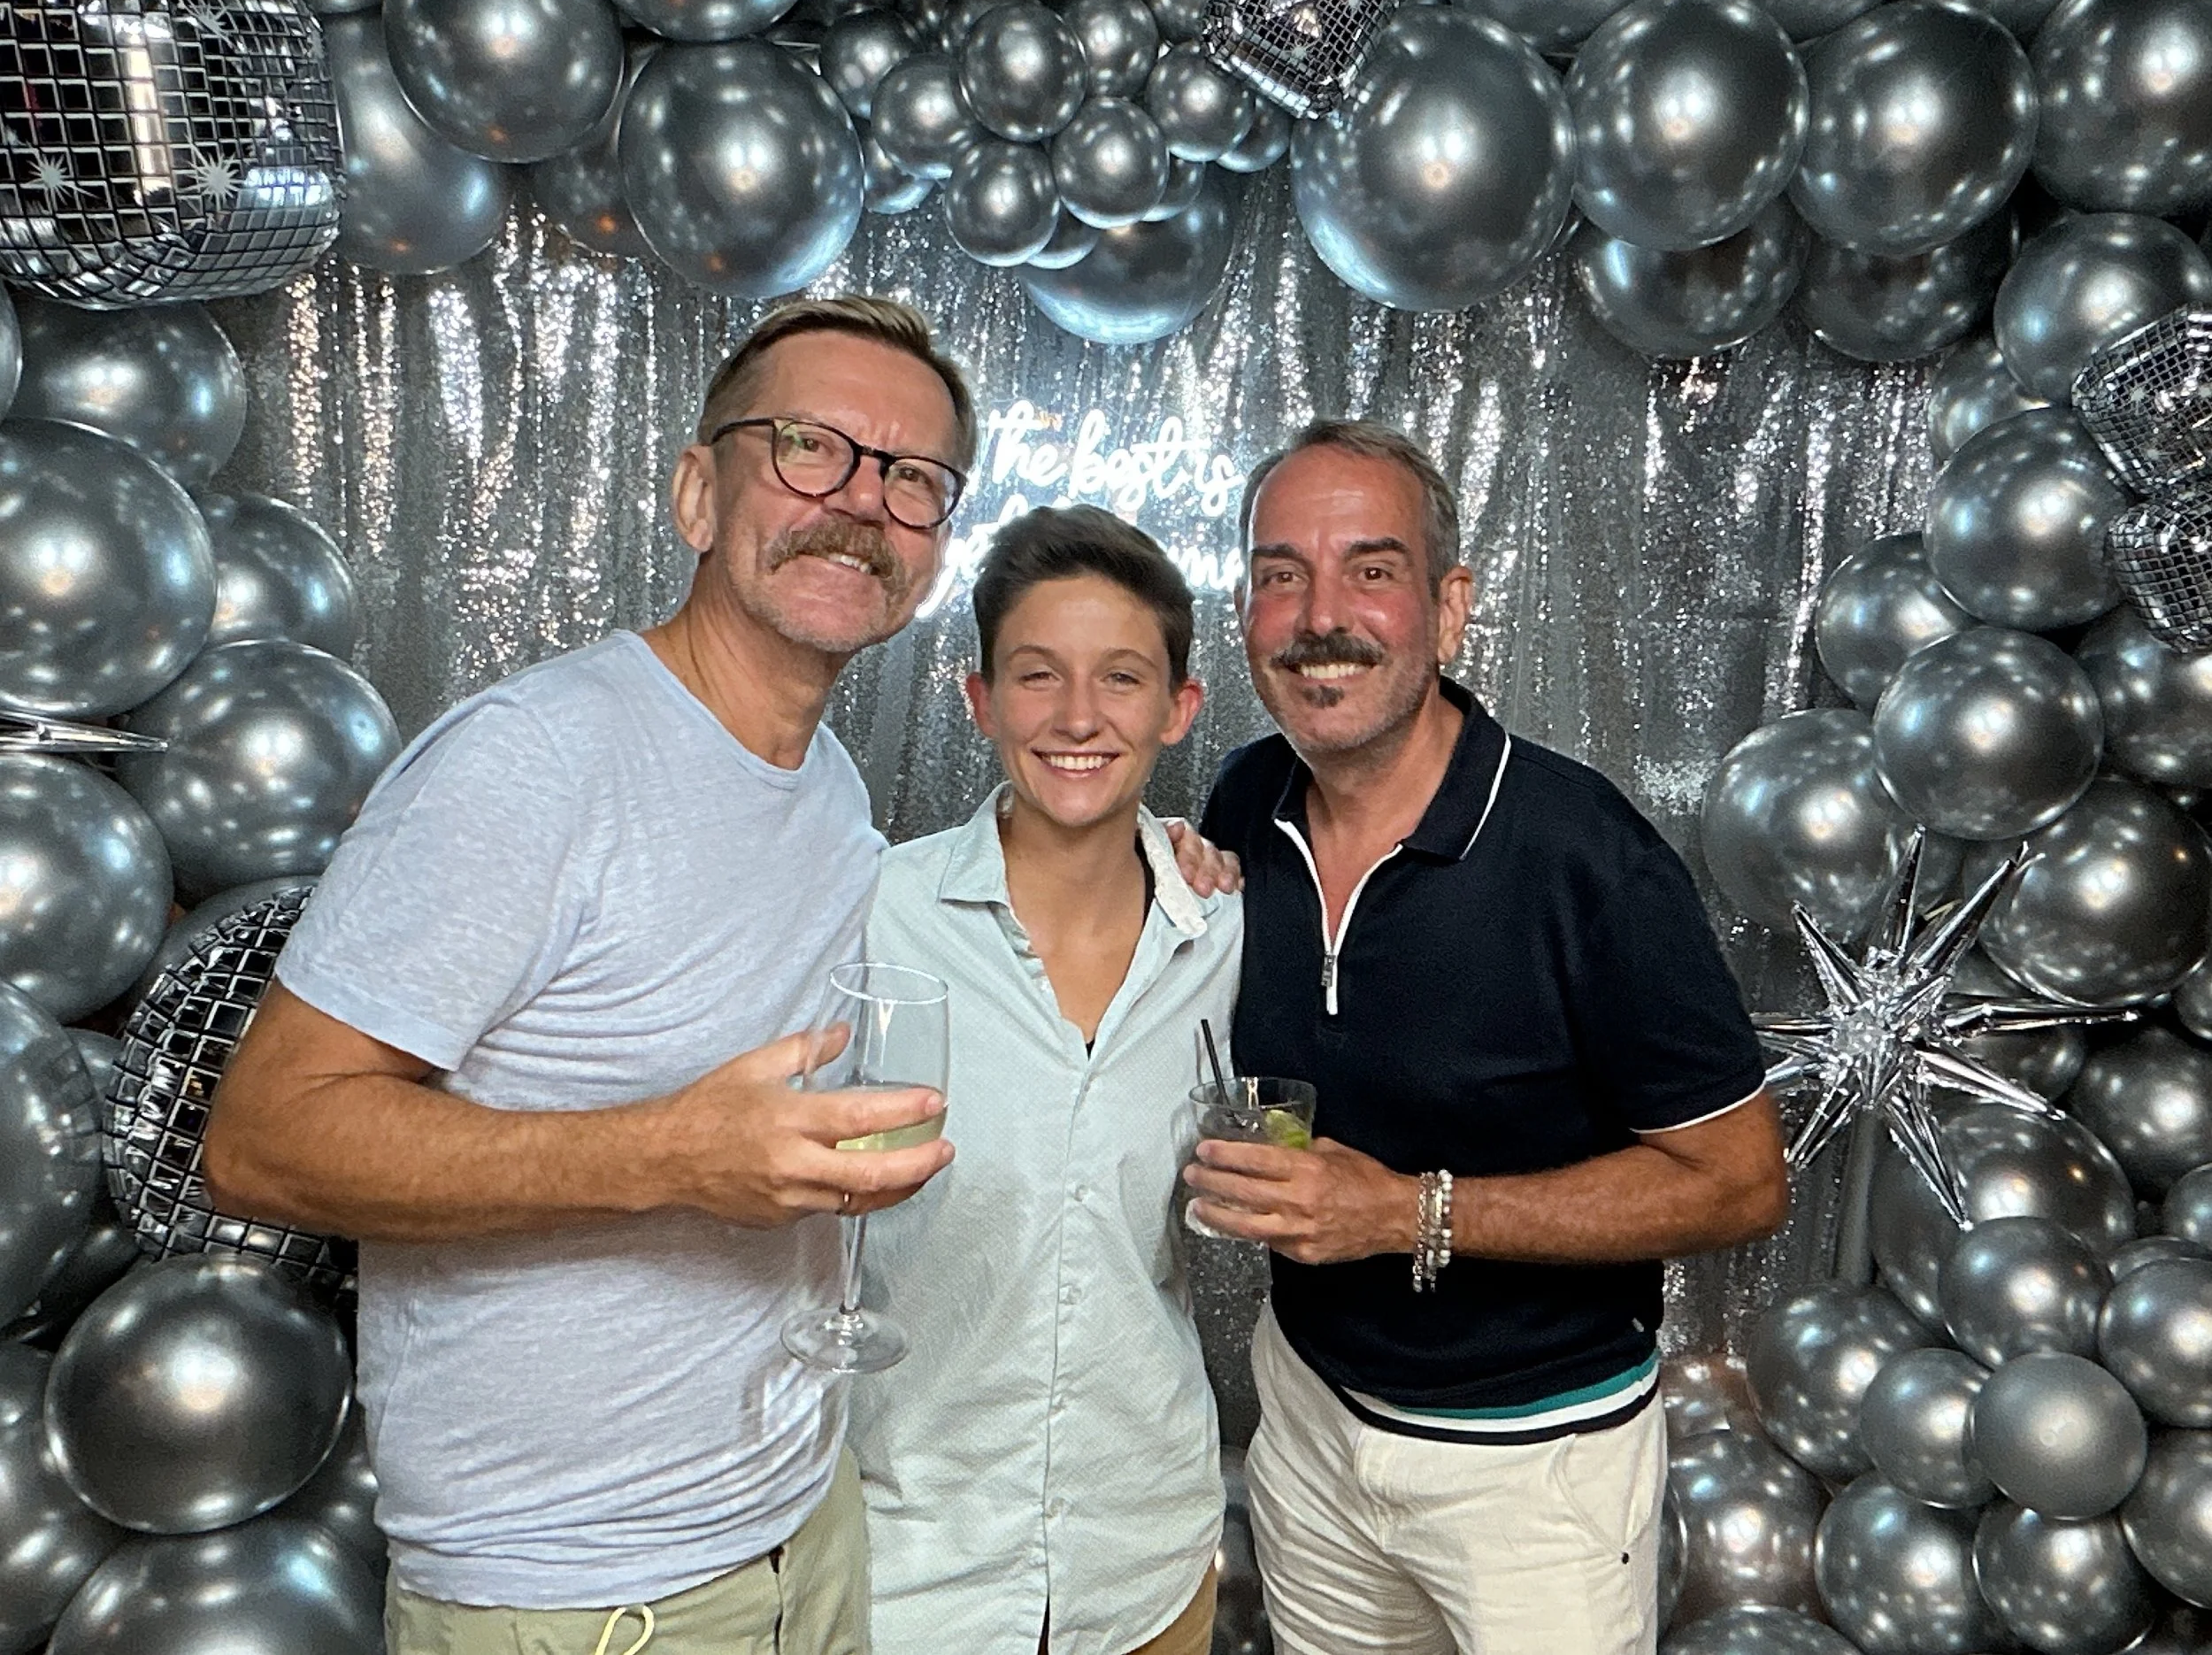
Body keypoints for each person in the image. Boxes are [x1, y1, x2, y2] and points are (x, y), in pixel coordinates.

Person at [205, 297, 983, 1655]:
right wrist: (671, 1154)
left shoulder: (833, 791)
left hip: (804, 1526)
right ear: (696, 491)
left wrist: (1172, 853)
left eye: (910, 477)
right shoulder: (535, 758)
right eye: (808, 445)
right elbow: (264, 1139)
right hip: (577, 1590)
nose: (858, 501)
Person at [1186, 420, 1790, 1655]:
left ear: (1450, 605)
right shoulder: (1248, 799)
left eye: (1372, 568)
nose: (1319, 614)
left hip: (1534, 1471)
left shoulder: (1588, 857)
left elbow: (1740, 1182)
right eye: (1279, 572)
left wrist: (1410, 1212)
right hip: (1307, 1415)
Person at [852, 505, 1238, 1655]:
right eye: (1037, 675)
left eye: (1121, 677)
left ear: (1180, 707)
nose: (1078, 716)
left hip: (1146, 1560)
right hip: (917, 1563)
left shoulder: (1227, 934)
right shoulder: (876, 914)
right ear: (978, 700)